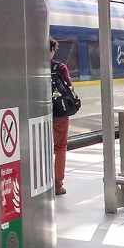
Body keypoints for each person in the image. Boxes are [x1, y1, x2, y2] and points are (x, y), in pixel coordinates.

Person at [50, 38, 73, 195]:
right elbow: (70, 88)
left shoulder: (29, 67)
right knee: (60, 147)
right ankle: (57, 184)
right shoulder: (59, 67)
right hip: (59, 113)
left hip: (37, 115)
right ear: (52, 49)